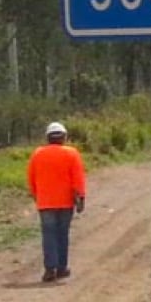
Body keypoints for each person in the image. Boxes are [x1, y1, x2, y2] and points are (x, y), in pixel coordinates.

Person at [26, 121, 87, 283]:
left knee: (48, 235)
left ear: (47, 137)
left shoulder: (37, 154)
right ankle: (61, 268)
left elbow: (31, 178)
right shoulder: (71, 153)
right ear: (64, 137)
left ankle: (49, 268)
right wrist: (80, 197)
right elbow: (78, 178)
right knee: (62, 234)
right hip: (66, 202)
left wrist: (35, 195)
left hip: (45, 202)